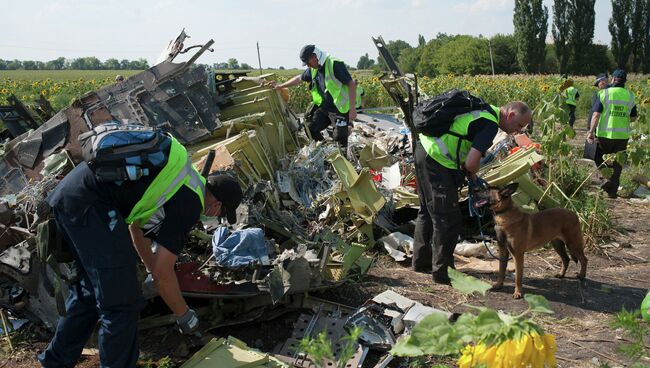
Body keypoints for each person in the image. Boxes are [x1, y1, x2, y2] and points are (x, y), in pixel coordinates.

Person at [38, 133, 243, 367]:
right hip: (93, 207)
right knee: (122, 303)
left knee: (89, 292)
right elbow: (164, 274)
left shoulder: (184, 178)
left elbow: (137, 227)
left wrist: (149, 267)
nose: (217, 217)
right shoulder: (191, 202)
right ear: (217, 205)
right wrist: (184, 315)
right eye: (222, 214)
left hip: (73, 194)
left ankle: (55, 362)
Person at [412, 101, 532, 284]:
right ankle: (443, 273)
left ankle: (420, 262)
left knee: (427, 210)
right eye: (519, 125)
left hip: (424, 149)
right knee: (448, 219)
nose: (518, 131)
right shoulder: (490, 124)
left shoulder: (483, 108)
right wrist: (473, 176)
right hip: (437, 159)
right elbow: (470, 163)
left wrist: (469, 174)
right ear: (510, 115)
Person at [273, 45, 356, 147]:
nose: (308, 66)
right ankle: (326, 149)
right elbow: (299, 79)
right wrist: (281, 86)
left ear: (314, 56)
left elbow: (351, 84)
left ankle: (342, 157)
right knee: (310, 129)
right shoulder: (314, 69)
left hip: (341, 110)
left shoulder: (334, 64)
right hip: (326, 108)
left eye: (308, 62)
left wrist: (352, 109)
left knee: (339, 139)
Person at [587, 69, 638, 198]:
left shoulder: (604, 94)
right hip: (622, 137)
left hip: (605, 135)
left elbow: (596, 114)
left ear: (613, 79)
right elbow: (633, 118)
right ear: (625, 82)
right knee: (618, 163)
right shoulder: (630, 95)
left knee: (597, 156)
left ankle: (605, 178)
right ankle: (613, 191)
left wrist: (591, 132)